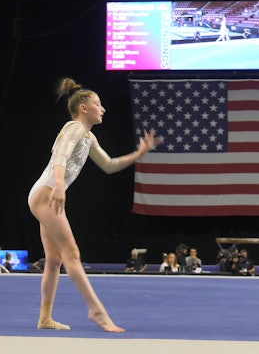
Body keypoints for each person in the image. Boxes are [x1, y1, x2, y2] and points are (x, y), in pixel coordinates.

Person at [27, 77, 162, 333]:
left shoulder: (88, 137)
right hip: (48, 193)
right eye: (98, 104)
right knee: (72, 254)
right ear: (83, 108)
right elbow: (61, 156)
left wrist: (138, 154)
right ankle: (96, 311)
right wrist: (58, 185)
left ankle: (45, 317)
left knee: (55, 259)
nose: (103, 109)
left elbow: (109, 165)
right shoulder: (74, 128)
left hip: (46, 194)